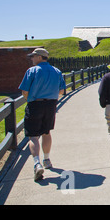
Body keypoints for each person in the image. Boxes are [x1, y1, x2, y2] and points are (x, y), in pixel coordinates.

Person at [18, 48, 66, 181]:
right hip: (50, 105)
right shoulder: (57, 71)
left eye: (33, 56)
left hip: (35, 104)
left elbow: (25, 91)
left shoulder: (32, 71)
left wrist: (30, 100)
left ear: (39, 57)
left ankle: (37, 163)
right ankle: (47, 159)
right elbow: (61, 91)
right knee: (46, 132)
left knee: (33, 136)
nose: (32, 59)